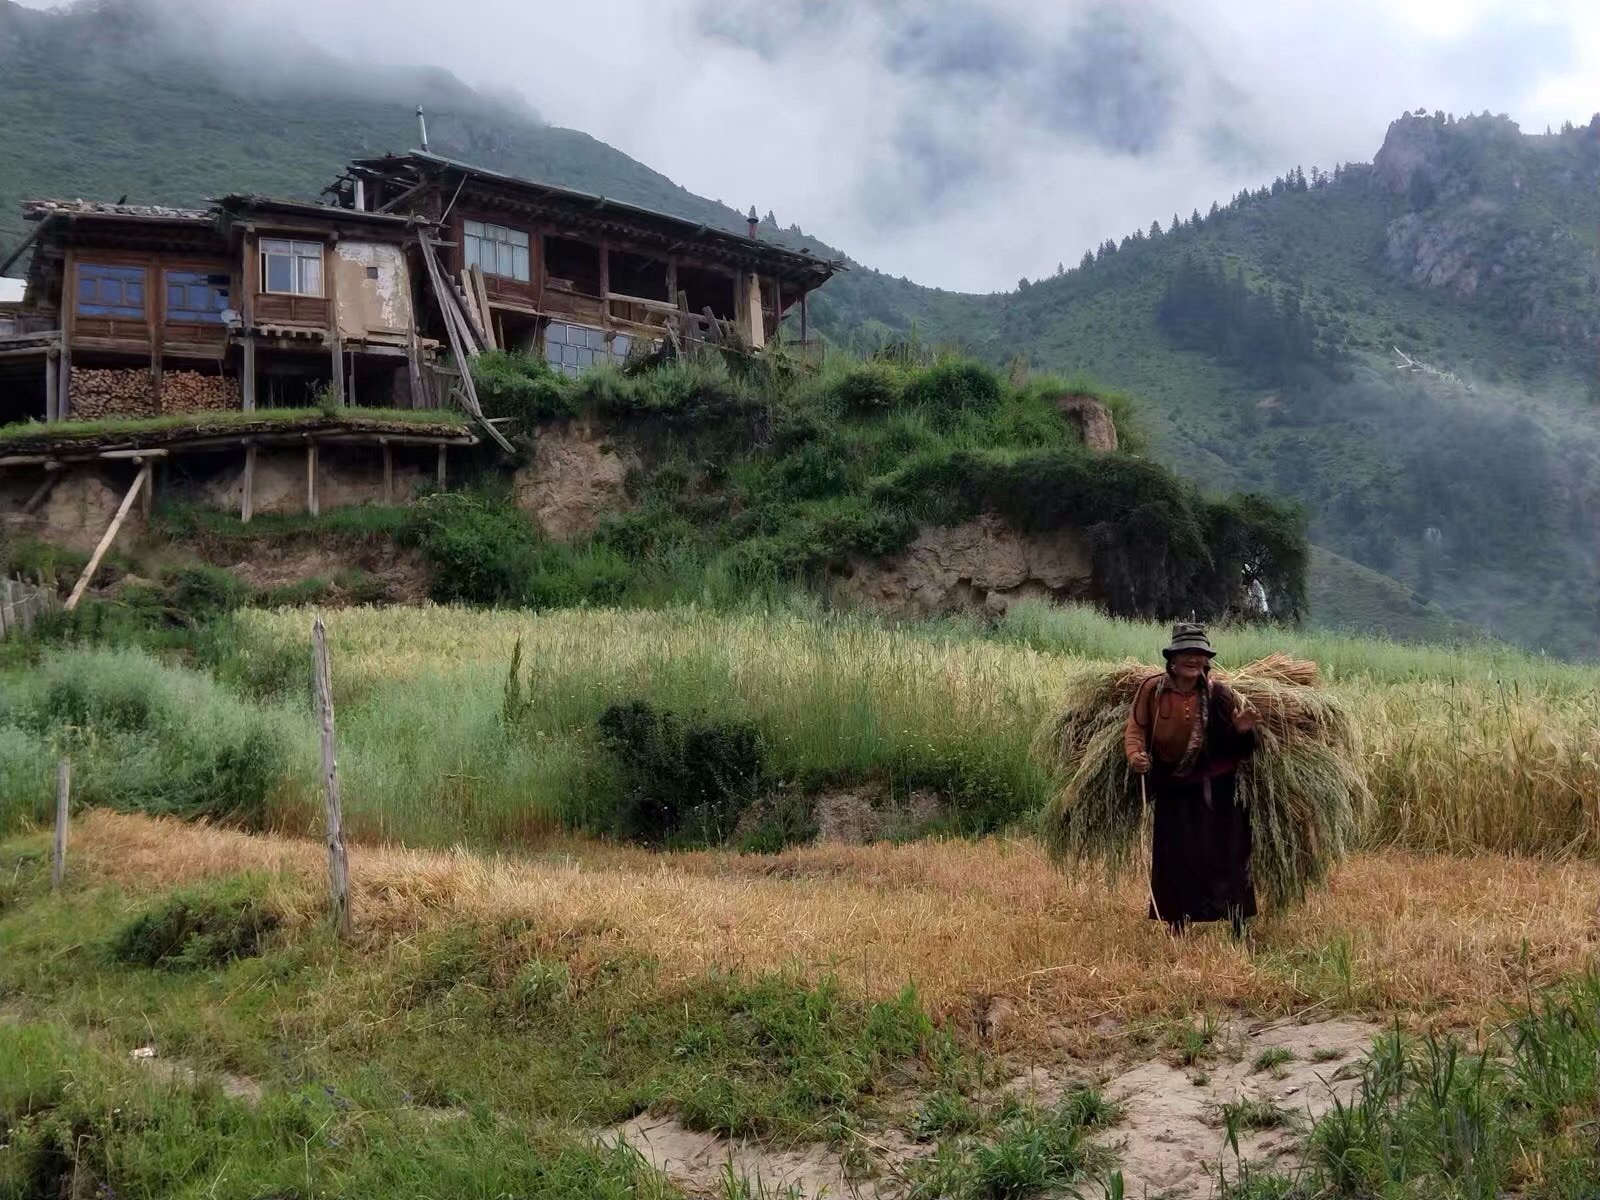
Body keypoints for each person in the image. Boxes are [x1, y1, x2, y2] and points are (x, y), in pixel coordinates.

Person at [1123, 623, 1259, 937]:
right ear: (1172, 659)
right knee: (1176, 860)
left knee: (1228, 859)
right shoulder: (1152, 690)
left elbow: (1241, 749)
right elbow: (1135, 729)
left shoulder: (1219, 694)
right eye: (1187, 654)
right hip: (1174, 787)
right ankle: (1177, 923)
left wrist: (1243, 730)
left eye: (1200, 655)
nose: (1194, 660)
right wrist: (1136, 756)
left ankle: (1238, 926)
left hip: (1218, 791)